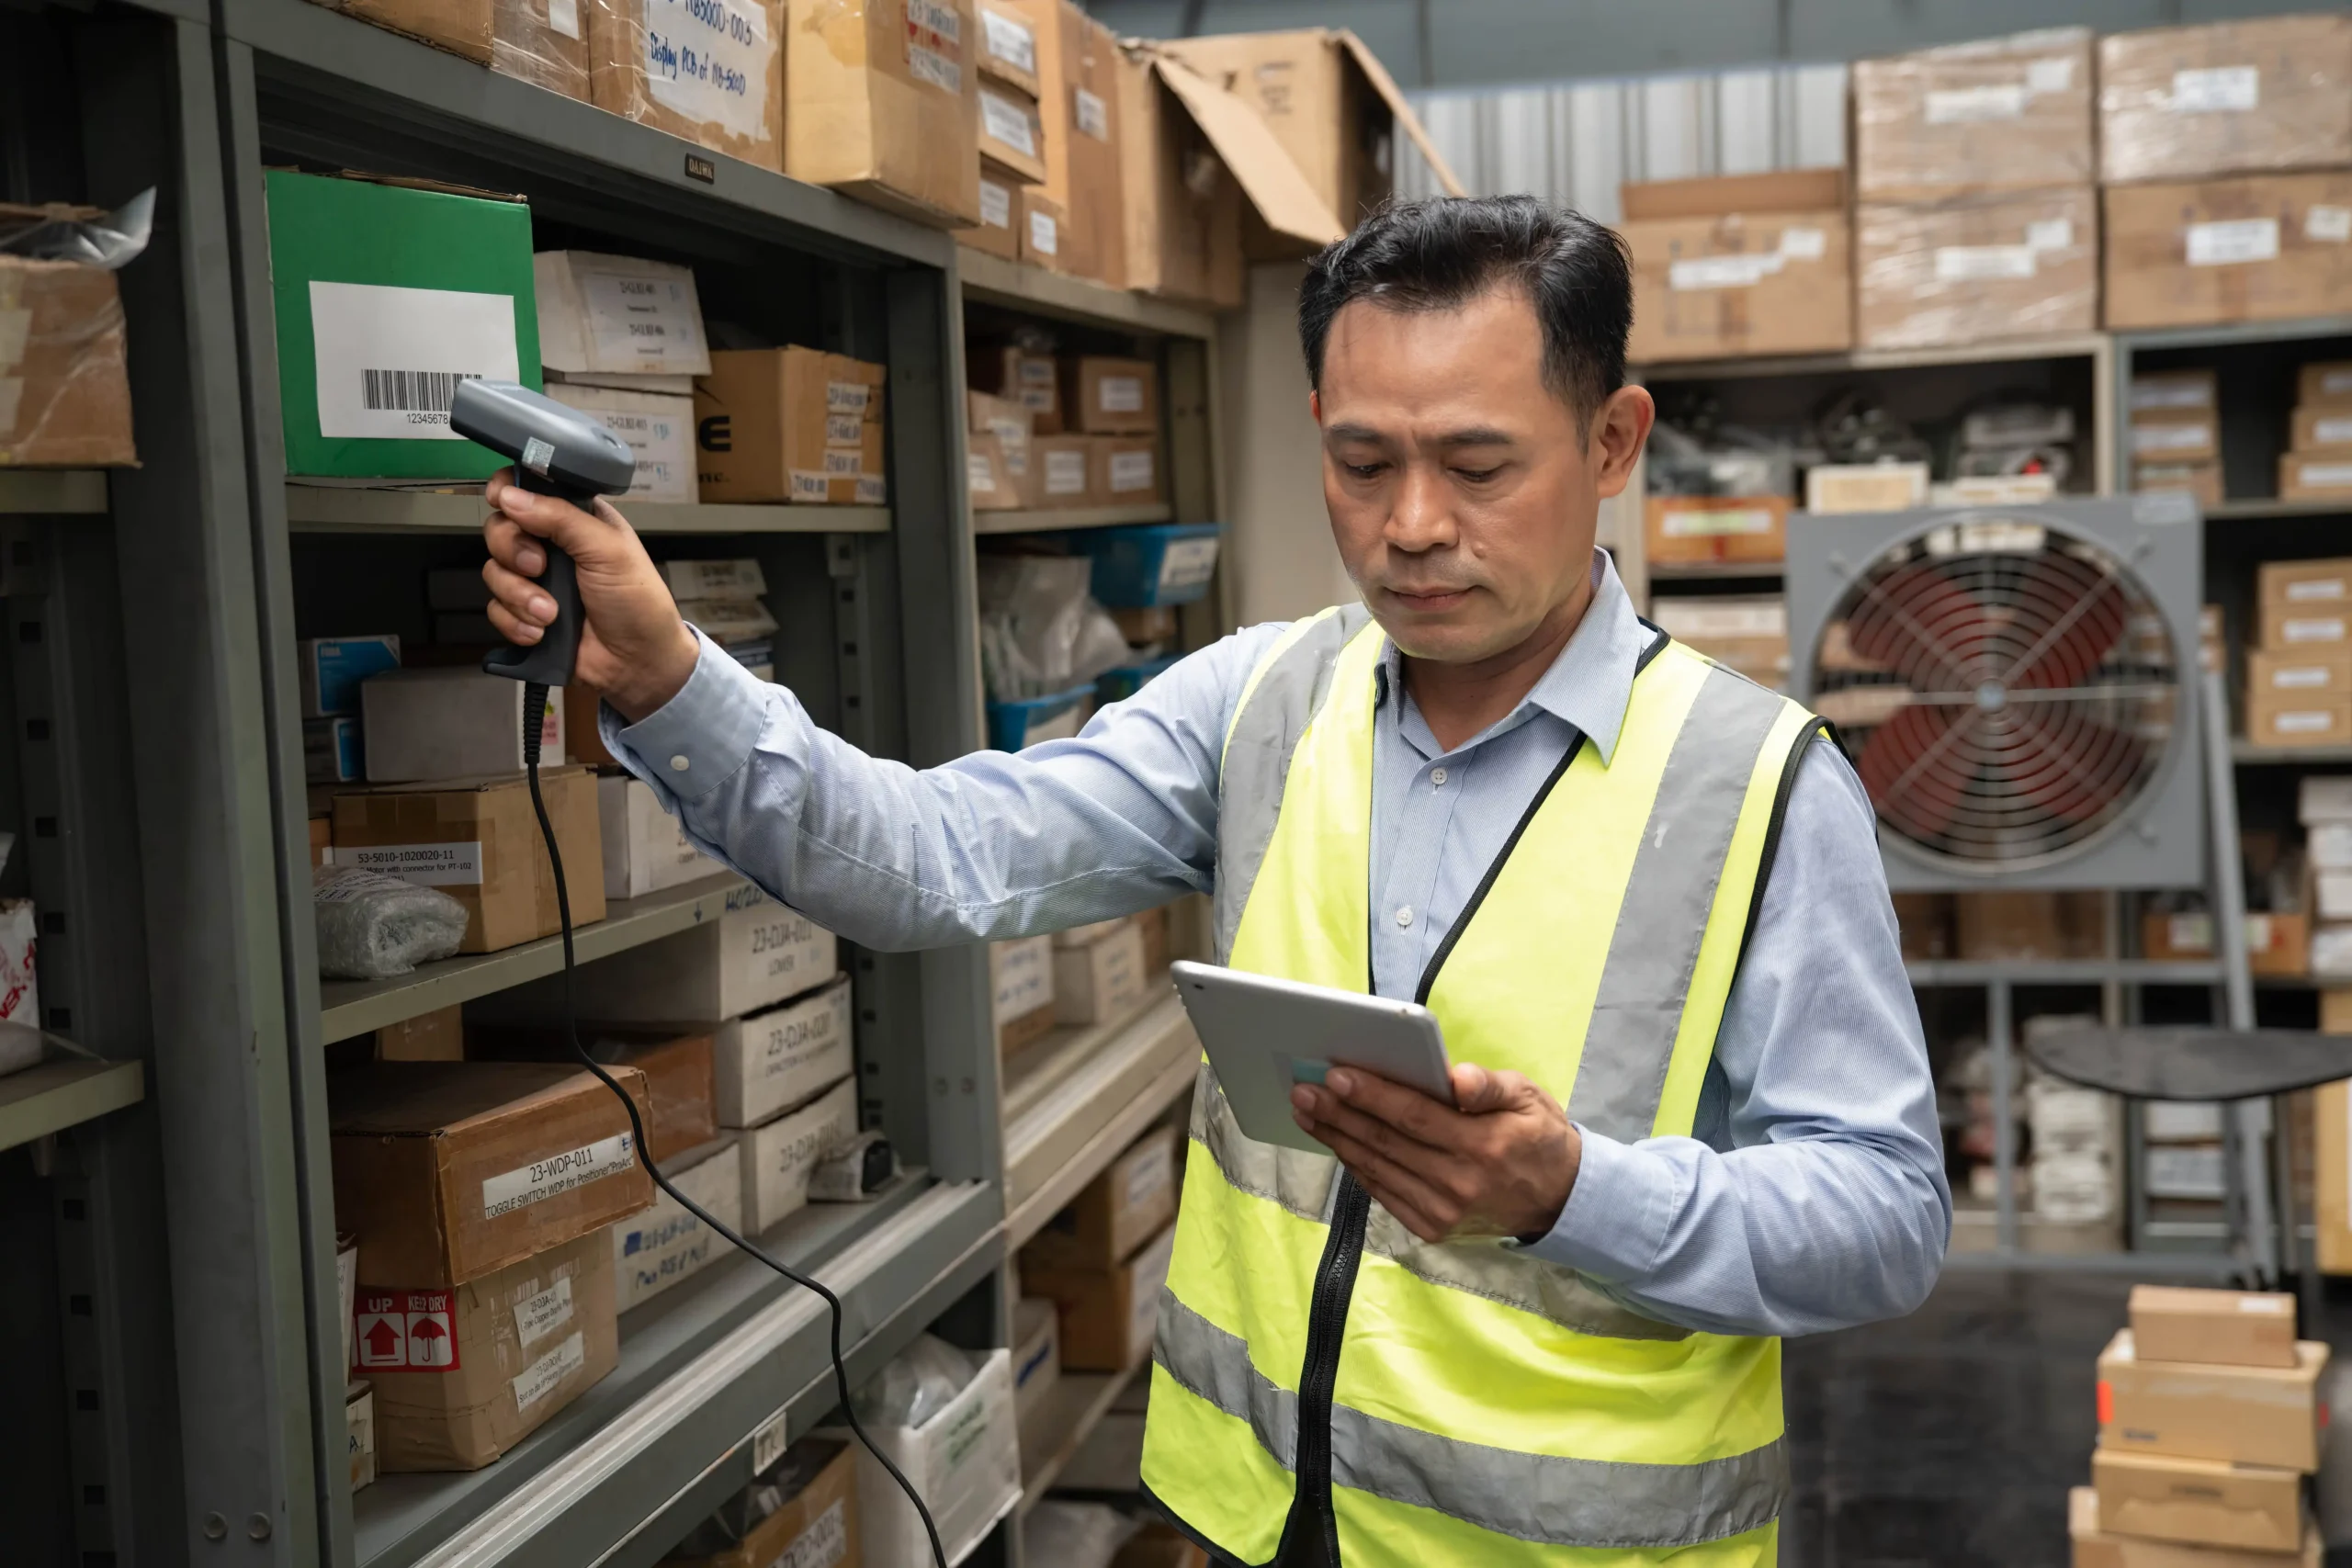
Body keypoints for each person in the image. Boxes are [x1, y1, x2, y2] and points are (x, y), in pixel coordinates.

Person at [479, 196, 1949, 1568]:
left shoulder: (1758, 784)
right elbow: (933, 857)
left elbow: (1884, 1215)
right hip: (1244, 1522)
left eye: (1480, 465)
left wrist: (1579, 1193)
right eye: (1364, 462)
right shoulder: (1261, 703)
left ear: (1614, 438)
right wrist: (671, 674)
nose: (1414, 523)